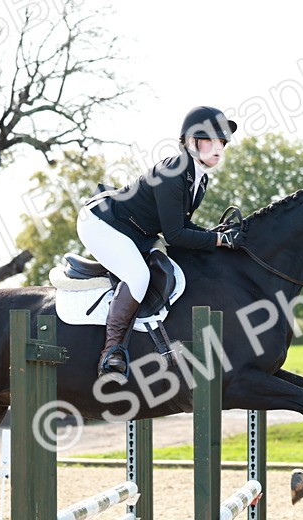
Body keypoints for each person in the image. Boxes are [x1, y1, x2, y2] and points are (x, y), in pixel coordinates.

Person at [77, 105, 245, 376]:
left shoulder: (199, 179)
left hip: (136, 232)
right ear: (192, 142)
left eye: (223, 142)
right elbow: (175, 235)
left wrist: (216, 235)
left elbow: (182, 226)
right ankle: (111, 351)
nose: (219, 148)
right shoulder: (173, 171)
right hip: (102, 222)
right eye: (212, 140)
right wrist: (218, 240)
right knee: (138, 275)